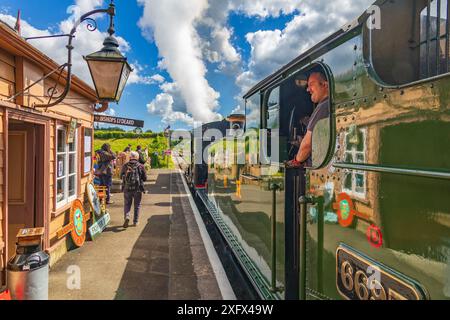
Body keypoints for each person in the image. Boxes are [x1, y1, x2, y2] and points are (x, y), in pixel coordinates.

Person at [287, 71, 330, 168]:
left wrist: (296, 161)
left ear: (325, 85)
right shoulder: (328, 105)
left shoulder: (323, 106)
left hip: (315, 167)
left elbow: (307, 145)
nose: (308, 89)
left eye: (311, 85)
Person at [120, 151, 147, 228]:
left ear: (130, 157)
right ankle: (135, 221)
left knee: (127, 204)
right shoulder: (141, 166)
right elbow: (145, 178)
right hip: (137, 188)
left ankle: (127, 217)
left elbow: (120, 176)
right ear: (137, 157)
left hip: (127, 188)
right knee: (137, 205)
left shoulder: (125, 165)